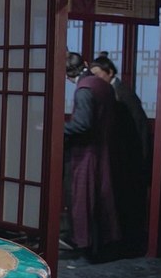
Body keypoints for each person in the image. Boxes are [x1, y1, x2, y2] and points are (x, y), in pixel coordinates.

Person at [89, 52, 149, 254]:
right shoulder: (110, 90)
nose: (96, 79)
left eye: (98, 75)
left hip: (130, 156)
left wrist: (141, 158)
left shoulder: (122, 93)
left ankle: (128, 245)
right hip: (119, 154)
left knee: (127, 202)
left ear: (110, 72)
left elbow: (139, 127)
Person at [63, 52, 121, 260]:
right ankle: (101, 245)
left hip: (87, 152)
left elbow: (82, 124)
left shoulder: (84, 89)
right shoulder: (102, 85)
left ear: (67, 75)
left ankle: (85, 245)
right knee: (100, 197)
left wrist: (56, 128)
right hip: (104, 149)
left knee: (83, 199)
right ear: (85, 64)